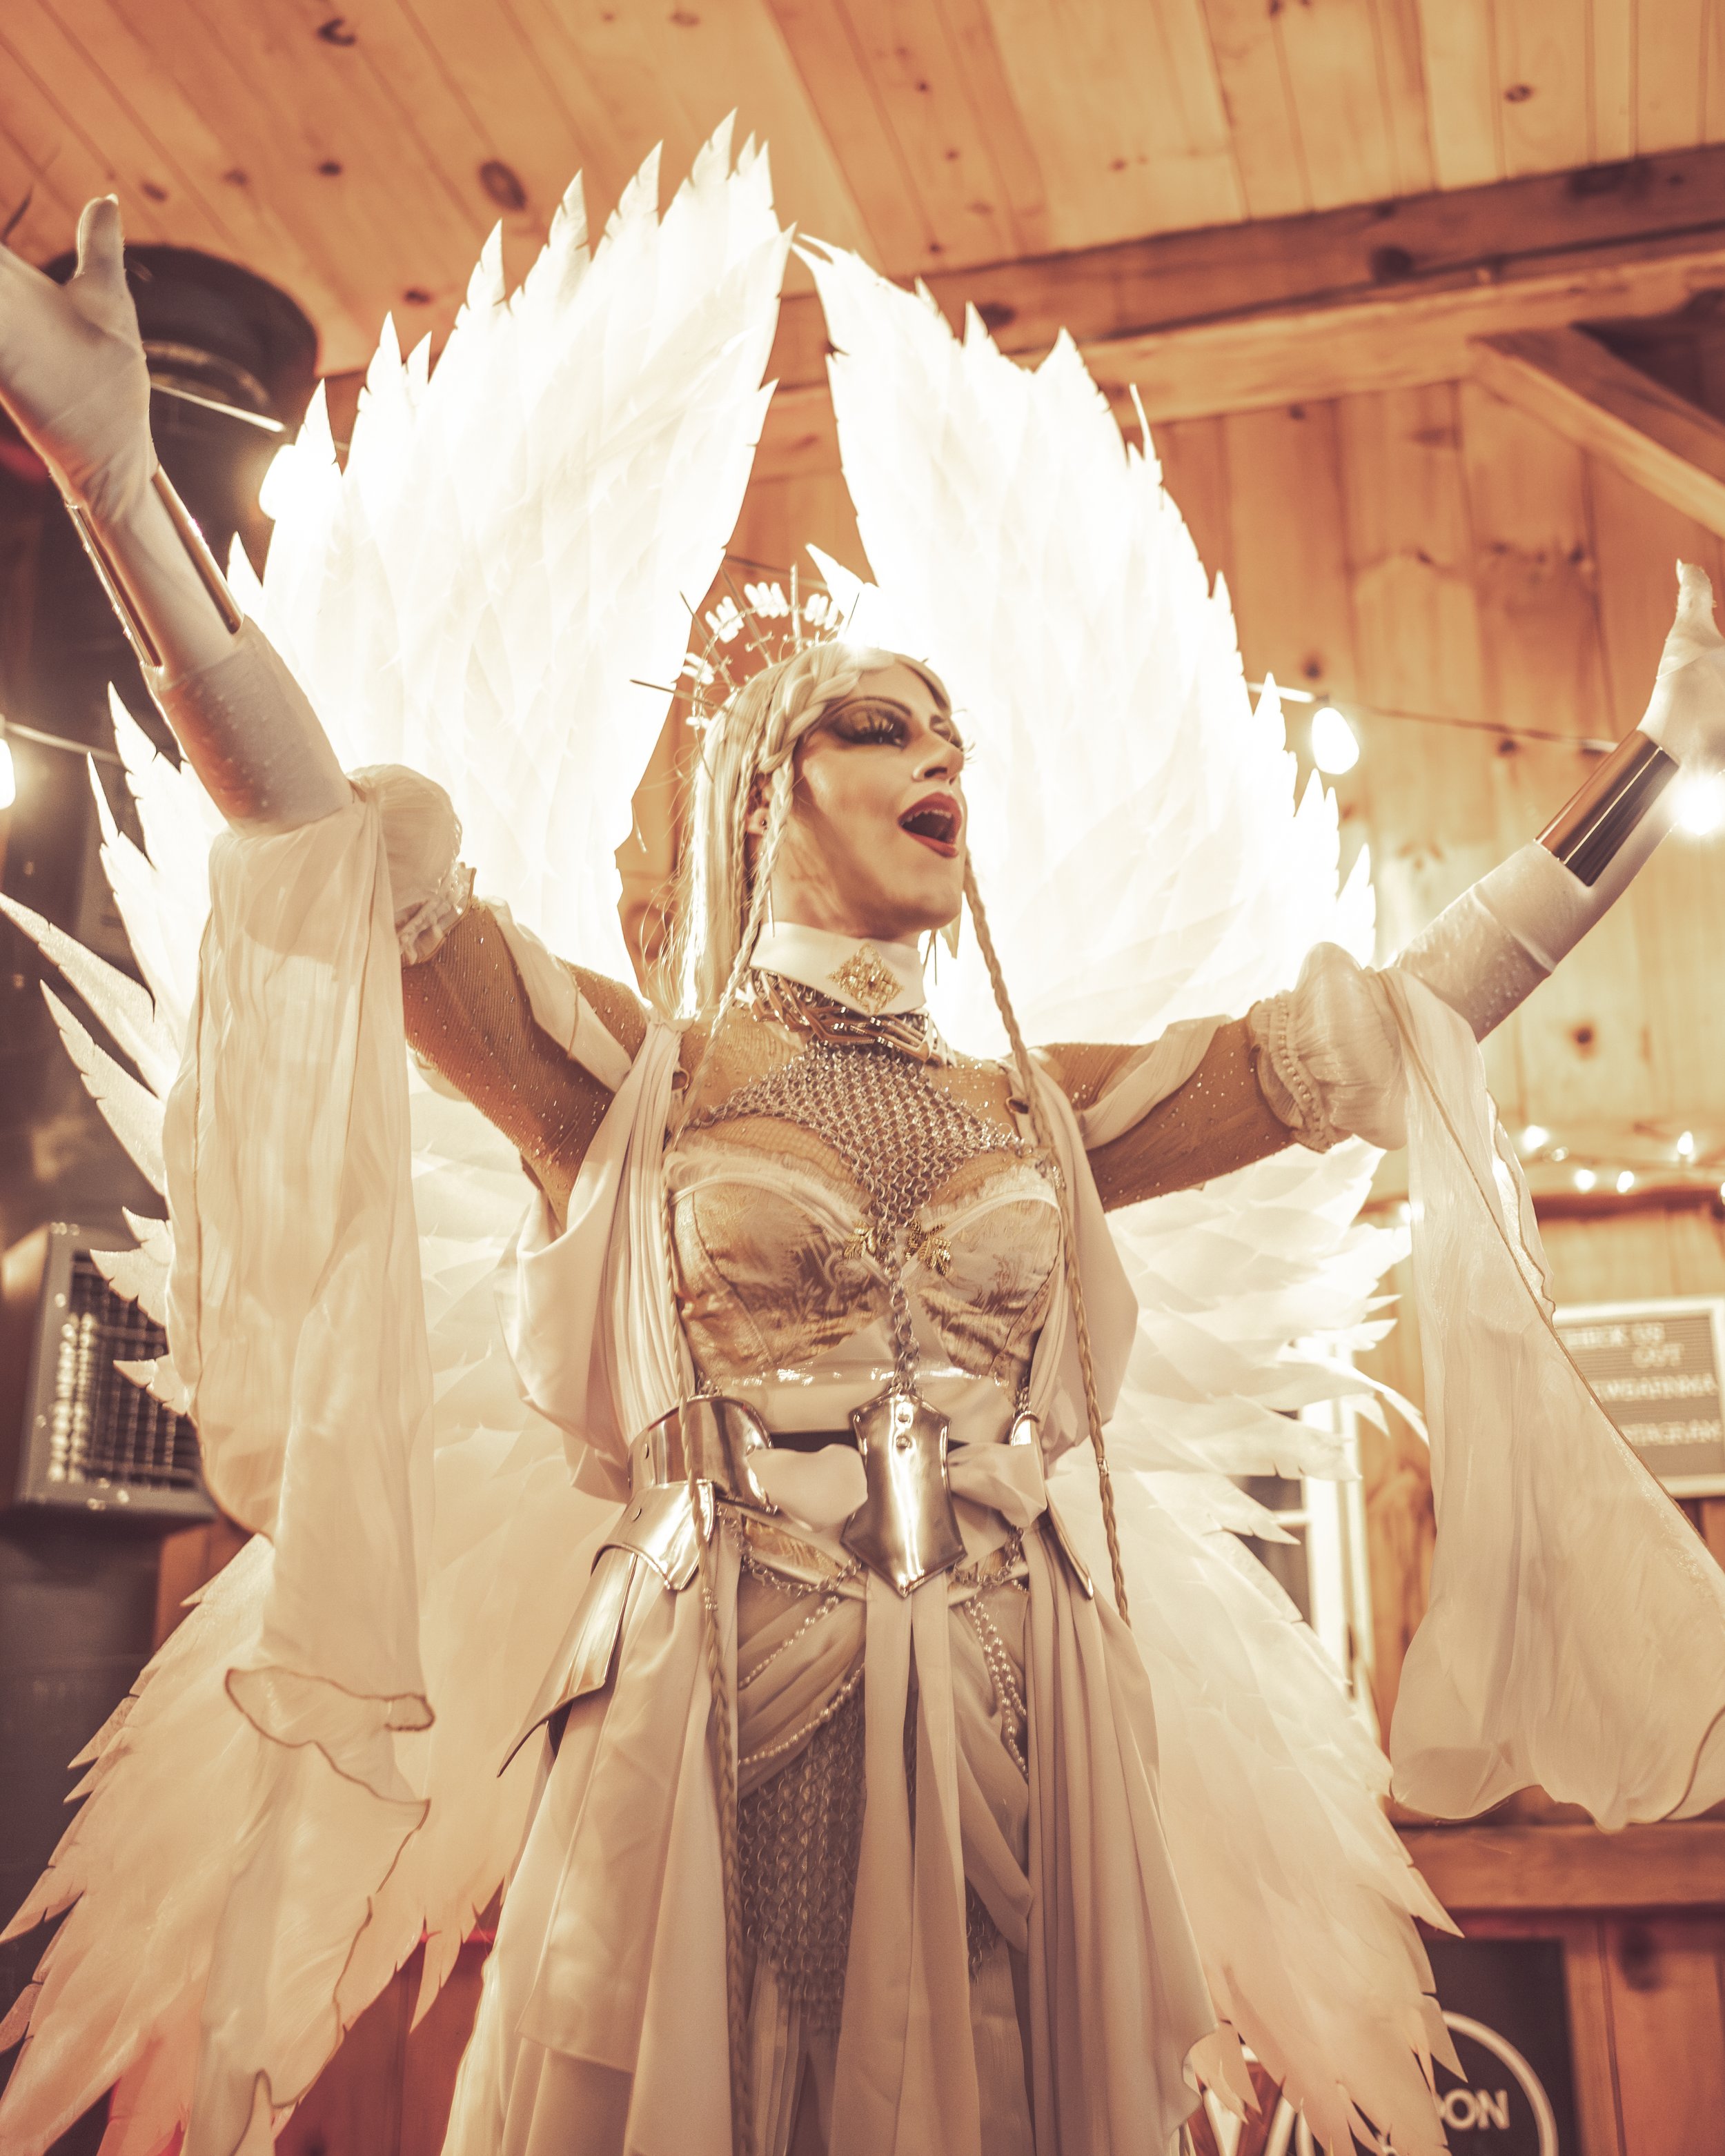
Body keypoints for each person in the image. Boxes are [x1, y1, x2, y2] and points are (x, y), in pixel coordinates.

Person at [4, 179, 1725, 2156]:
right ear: (763, 792)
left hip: (1025, 1699)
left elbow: (1399, 1021)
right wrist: (118, 484)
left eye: (952, 738)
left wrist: (1664, 760)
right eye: (881, 727)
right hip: (717, 1691)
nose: (941, 761)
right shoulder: (631, 1081)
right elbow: (313, 827)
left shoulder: (1035, 1109)